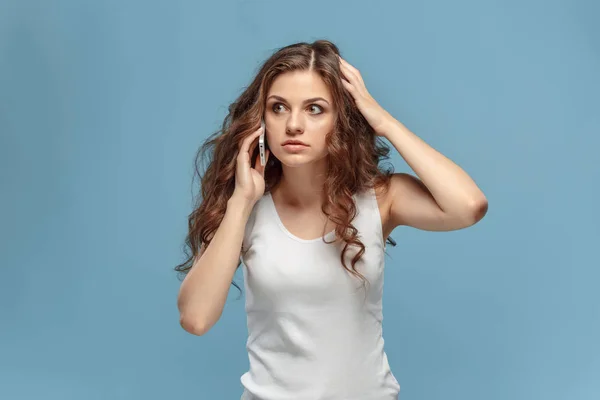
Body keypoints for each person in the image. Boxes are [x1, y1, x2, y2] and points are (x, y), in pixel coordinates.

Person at [175, 39, 488, 400]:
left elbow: (469, 206)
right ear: (261, 121)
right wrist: (241, 202)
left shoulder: (381, 198)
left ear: (341, 119)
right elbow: (195, 319)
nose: (293, 125)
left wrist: (384, 122)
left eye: (315, 109)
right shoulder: (245, 208)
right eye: (279, 108)